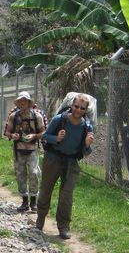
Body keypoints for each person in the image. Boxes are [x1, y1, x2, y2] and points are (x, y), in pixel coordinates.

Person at [36, 93, 94, 239]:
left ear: (85, 110)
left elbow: (86, 151)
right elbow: (45, 136)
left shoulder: (86, 127)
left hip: (72, 162)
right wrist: (56, 138)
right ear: (71, 106)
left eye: (82, 108)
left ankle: (63, 226)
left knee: (67, 195)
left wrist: (87, 145)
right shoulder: (59, 120)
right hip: (53, 158)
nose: (78, 110)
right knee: (46, 189)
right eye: (76, 106)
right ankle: (41, 218)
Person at [4, 92, 45, 212]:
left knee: (34, 172)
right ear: (18, 103)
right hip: (18, 149)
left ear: (29, 102)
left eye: (25, 101)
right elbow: (7, 132)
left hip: (32, 150)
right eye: (21, 101)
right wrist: (13, 135)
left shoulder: (37, 116)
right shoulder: (13, 116)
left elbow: (43, 133)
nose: (23, 103)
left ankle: (33, 200)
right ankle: (24, 201)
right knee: (20, 174)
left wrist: (34, 136)